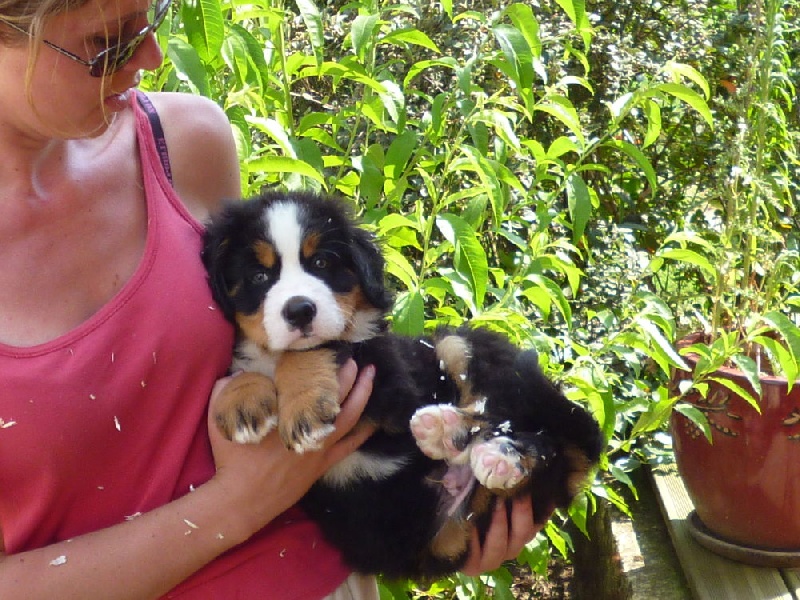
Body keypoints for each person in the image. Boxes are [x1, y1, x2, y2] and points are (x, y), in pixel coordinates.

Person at [0, 0, 545, 596]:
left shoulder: (184, 142)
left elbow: (280, 343)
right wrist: (235, 504)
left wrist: (434, 509)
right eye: (107, 41)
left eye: (151, 17)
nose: (151, 57)